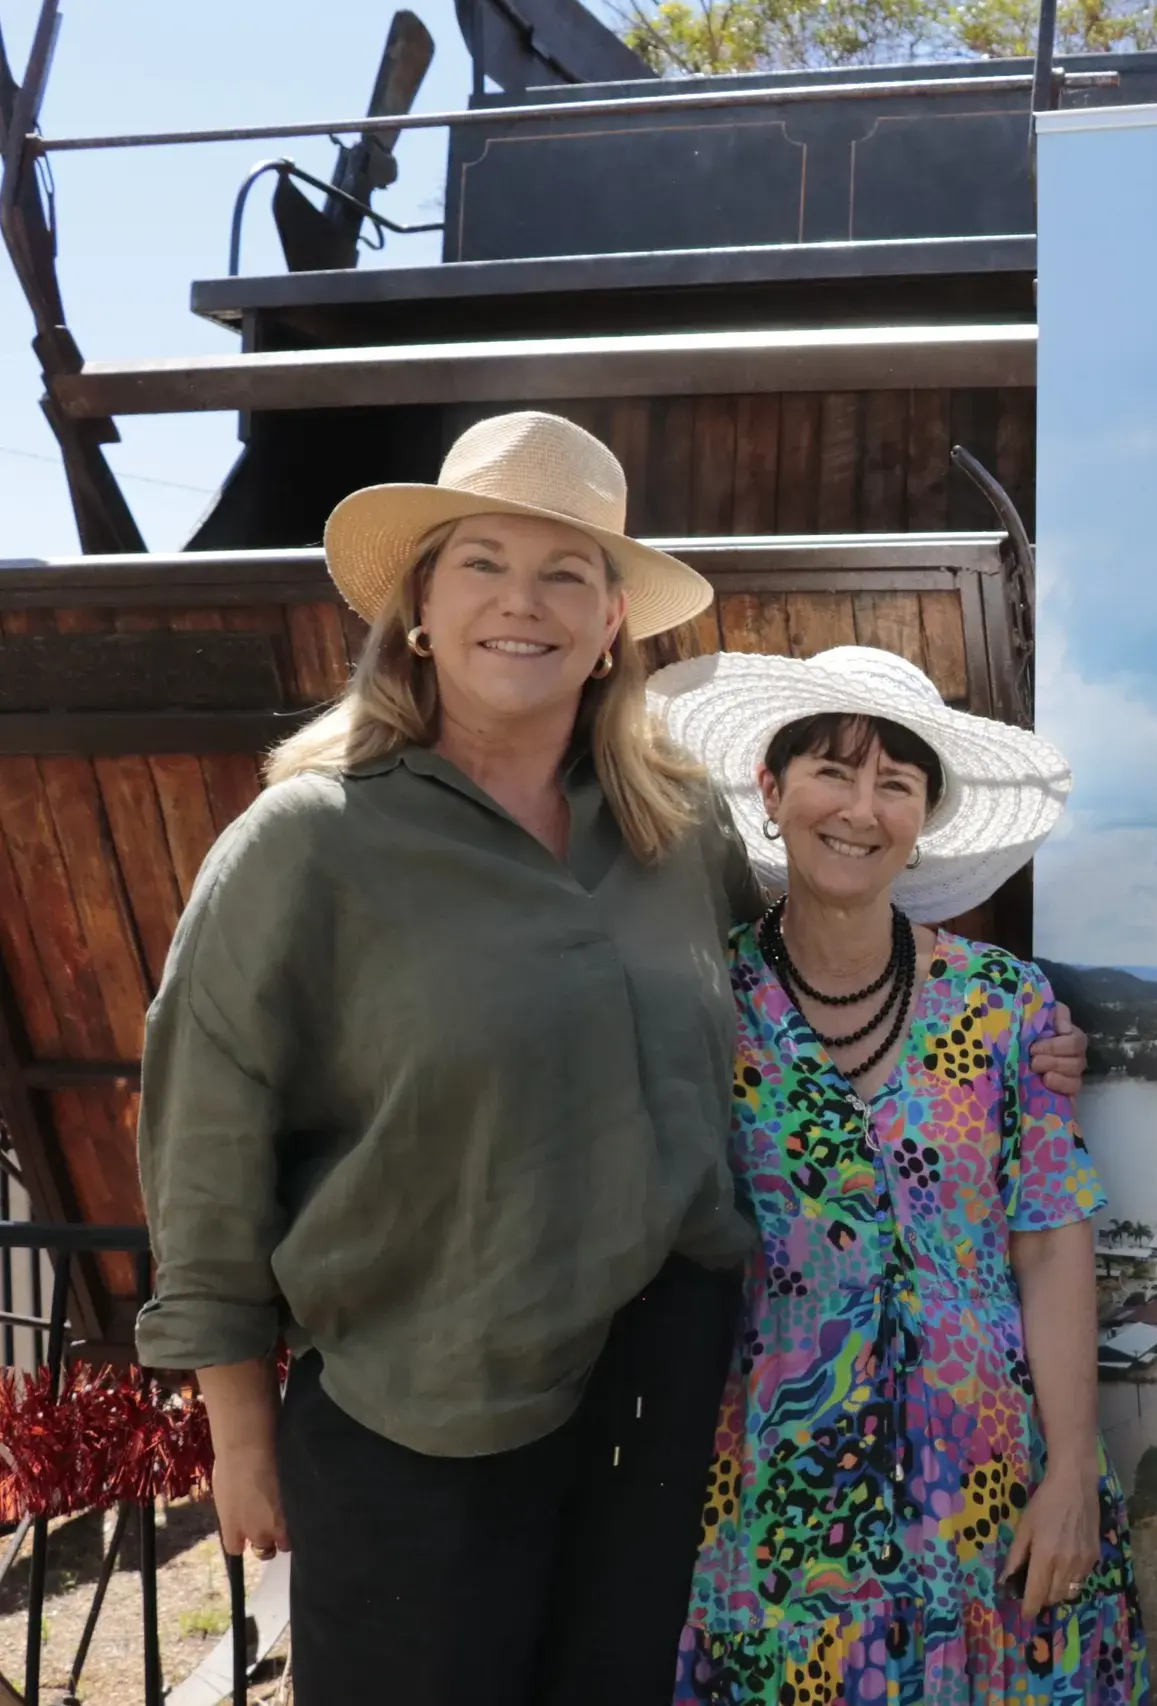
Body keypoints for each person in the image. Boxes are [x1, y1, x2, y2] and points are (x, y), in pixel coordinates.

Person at [132, 413, 1088, 1706]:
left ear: (607, 626)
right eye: (481, 562)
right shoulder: (308, 842)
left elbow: (793, 975)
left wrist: (1013, 1046)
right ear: (419, 604)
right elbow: (205, 1136)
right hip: (425, 1404)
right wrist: (237, 1429)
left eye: (566, 573)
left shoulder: (671, 826)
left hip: (657, 1407)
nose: (521, 601)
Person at [653, 645, 1147, 1705]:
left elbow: (1053, 1241)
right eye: (834, 770)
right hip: (779, 1492)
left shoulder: (1005, 1005)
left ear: (923, 819)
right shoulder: (704, 1004)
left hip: (993, 1471)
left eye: (897, 782)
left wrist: (1070, 1471)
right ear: (773, 792)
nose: (862, 807)